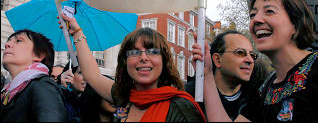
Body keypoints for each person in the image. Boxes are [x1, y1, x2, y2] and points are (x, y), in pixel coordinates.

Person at [192, 0, 318, 122]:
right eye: (253, 15)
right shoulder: (265, 90)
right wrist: (207, 74)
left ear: (295, 24)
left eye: (269, 11)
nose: (256, 20)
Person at [58, 15, 207, 122]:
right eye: (135, 52)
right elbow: (92, 75)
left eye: (153, 51)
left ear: (164, 61)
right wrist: (77, 31)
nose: (143, 57)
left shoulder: (181, 108)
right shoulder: (123, 96)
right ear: (125, 61)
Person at [186, 30, 270, 120]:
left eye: (252, 55)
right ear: (218, 60)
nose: (250, 60)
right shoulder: (190, 97)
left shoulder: (260, 96)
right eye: (240, 53)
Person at [1, 29, 67, 122]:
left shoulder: (43, 85)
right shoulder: (9, 91)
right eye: (8, 40)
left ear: (39, 55)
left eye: (18, 40)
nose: (7, 44)